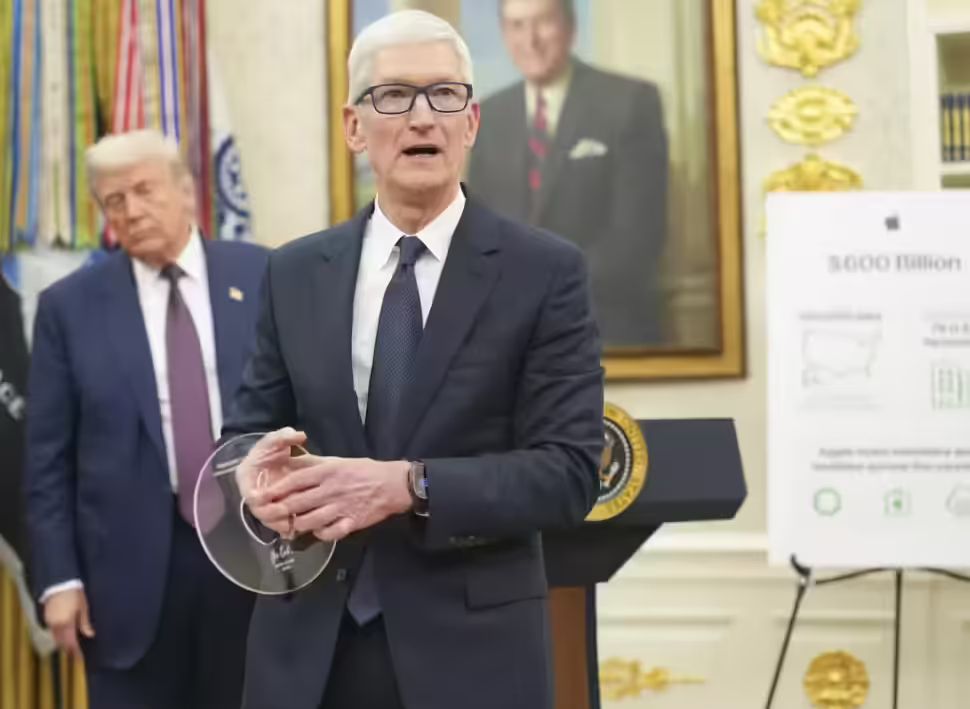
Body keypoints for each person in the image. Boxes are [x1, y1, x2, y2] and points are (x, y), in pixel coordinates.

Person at [223, 9, 604, 709]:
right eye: (394, 95)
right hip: (307, 653)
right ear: (354, 127)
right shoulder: (294, 272)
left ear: (472, 121)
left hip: (473, 657)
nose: (423, 117)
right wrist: (248, 472)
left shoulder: (543, 273)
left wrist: (411, 485)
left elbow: (569, 474)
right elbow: (247, 434)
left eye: (445, 94)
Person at [24, 129, 267, 709]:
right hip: (123, 581)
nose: (131, 211)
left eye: (143, 190)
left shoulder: (264, 274)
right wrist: (59, 580)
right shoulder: (69, 307)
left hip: (250, 555)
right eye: (114, 200)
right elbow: (47, 460)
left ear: (185, 190)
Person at [468, 0, 669, 347]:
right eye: (516, 26)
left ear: (570, 27)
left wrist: (543, 292)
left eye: (543, 22)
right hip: (510, 342)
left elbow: (638, 237)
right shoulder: (489, 115)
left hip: (607, 334)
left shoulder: (630, 103)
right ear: (503, 33)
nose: (530, 40)